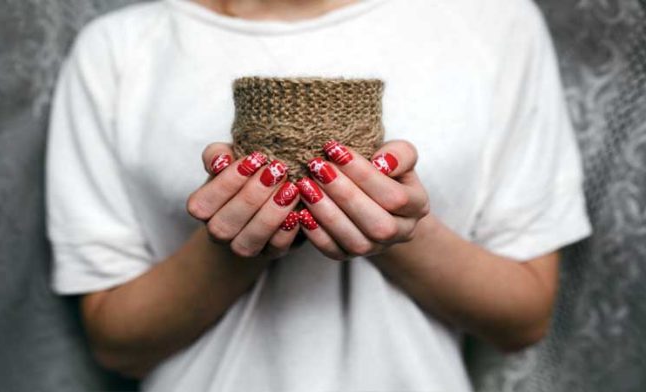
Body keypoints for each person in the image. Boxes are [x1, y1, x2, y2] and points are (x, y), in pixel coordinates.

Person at [45, 0, 592, 390]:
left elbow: (524, 319)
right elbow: (116, 342)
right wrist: (238, 244)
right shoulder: (119, 50)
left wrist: (401, 231)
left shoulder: (493, 22)